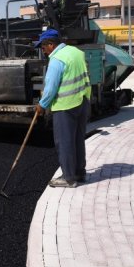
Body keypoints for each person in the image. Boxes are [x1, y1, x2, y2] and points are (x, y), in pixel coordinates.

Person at [34, 29, 91, 188]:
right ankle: (80, 172)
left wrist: (42, 105)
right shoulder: (76, 52)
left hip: (65, 106)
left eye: (43, 46)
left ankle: (68, 178)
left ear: (51, 44)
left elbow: (50, 88)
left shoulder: (57, 59)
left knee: (65, 142)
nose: (42, 50)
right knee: (78, 140)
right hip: (82, 100)